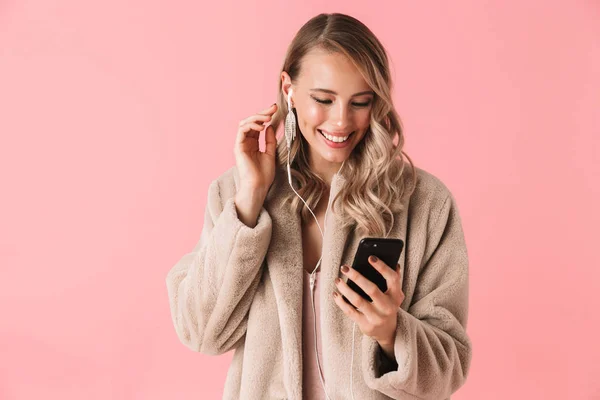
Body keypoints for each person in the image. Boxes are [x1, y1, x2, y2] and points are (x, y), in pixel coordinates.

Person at [166, 12, 472, 400]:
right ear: (288, 89)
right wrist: (250, 199)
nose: (341, 121)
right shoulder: (235, 193)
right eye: (323, 100)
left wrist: (391, 331)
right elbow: (200, 332)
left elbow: (449, 368)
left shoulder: (424, 204)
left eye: (360, 102)